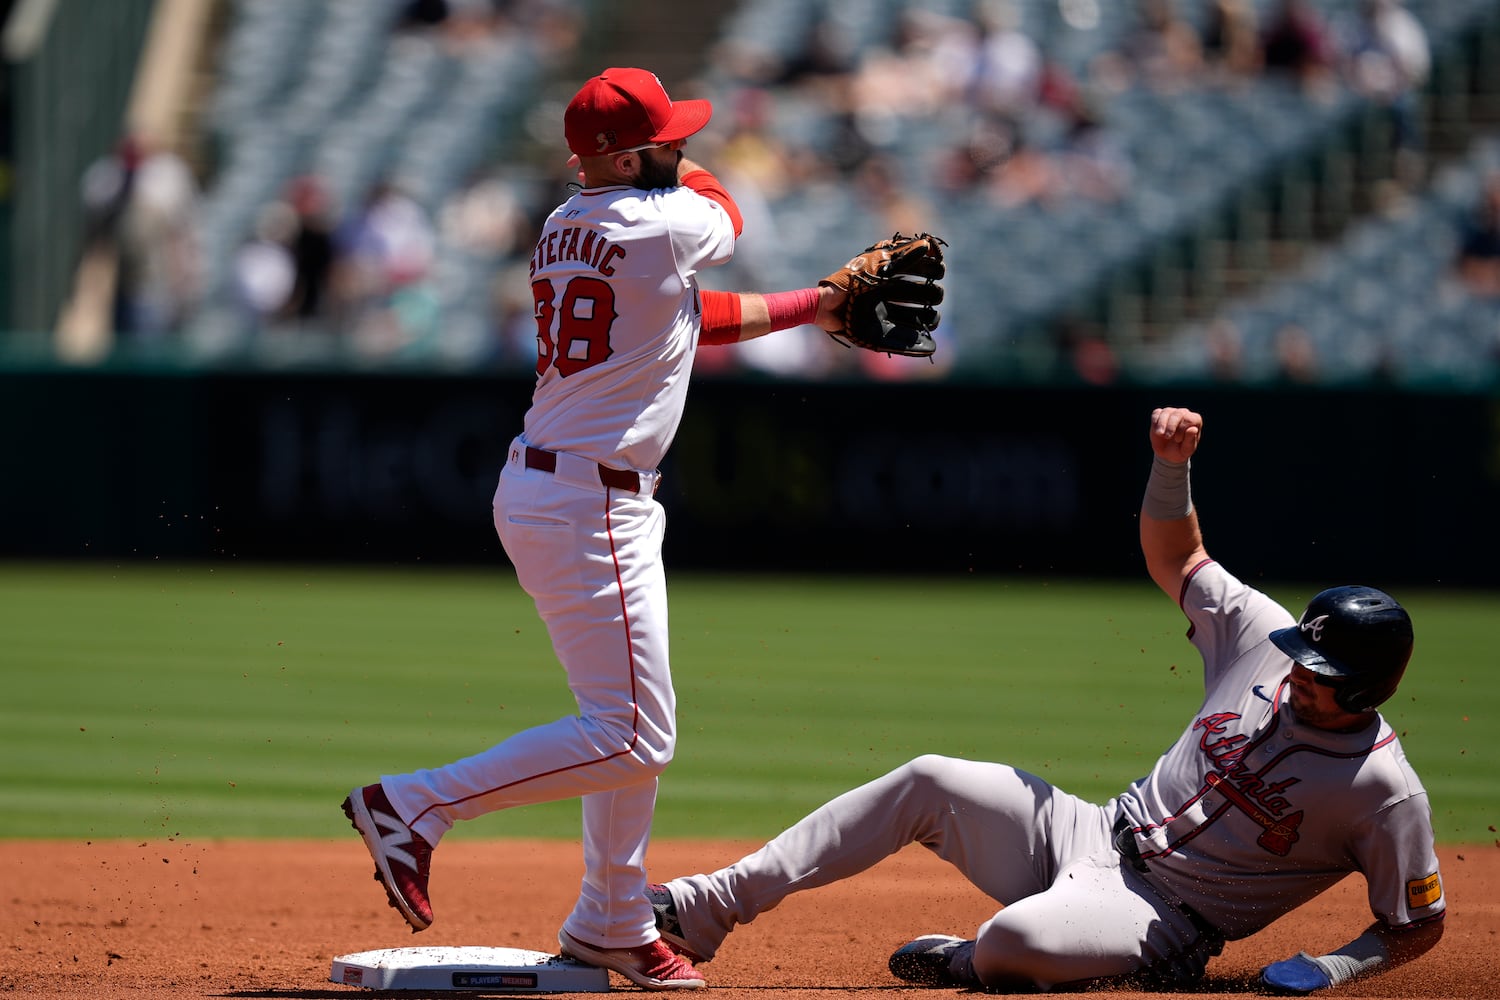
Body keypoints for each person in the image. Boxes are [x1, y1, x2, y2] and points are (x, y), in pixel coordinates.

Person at [341, 66, 853, 992]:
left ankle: (612, 918)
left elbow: (689, 323)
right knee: (635, 736)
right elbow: (726, 215)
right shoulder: (663, 218)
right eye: (666, 138)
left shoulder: (564, 225)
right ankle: (413, 806)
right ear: (622, 153)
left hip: (567, 490)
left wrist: (815, 305)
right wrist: (687, 175)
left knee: (624, 718)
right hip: (588, 501)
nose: (683, 148)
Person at [645, 405, 1446, 994]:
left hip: (1166, 917)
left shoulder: (1382, 792)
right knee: (928, 777)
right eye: (1301, 657)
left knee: (1012, 942)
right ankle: (702, 908)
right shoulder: (1260, 635)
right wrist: (1172, 465)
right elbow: (1180, 553)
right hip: (1090, 828)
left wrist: (1335, 965)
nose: (1298, 673)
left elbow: (1418, 925)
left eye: (1321, 673)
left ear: (1371, 688)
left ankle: (970, 959)